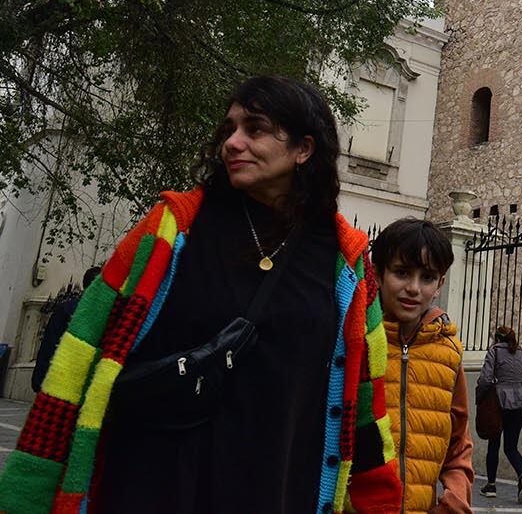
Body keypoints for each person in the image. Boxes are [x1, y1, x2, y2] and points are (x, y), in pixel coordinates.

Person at [0, 76, 402, 514]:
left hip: (277, 489)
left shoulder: (346, 263)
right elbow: (77, 358)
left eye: (255, 128)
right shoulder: (170, 229)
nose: (233, 142)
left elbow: (366, 406)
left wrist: (379, 501)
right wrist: (28, 494)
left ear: (304, 149)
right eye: (229, 129)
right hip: (152, 485)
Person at [372, 217, 473, 514]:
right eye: (401, 273)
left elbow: (458, 446)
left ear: (440, 284)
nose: (413, 288)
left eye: (427, 277)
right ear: (378, 275)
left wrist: (454, 501)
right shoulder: (355, 342)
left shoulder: (448, 353)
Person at [477, 325, 522, 503]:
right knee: (511, 447)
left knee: (493, 444)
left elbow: (486, 379)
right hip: (517, 406)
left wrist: (481, 397)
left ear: (497, 338)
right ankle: (521, 475)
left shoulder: (494, 351)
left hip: (498, 404)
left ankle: (491, 486)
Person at [30, 266, 100, 392]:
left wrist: (39, 378)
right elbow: (50, 343)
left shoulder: (66, 308)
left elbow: (48, 344)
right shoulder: (70, 310)